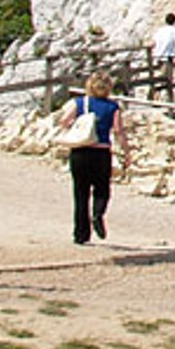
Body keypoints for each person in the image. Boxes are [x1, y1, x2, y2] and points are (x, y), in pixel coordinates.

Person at [56, 71, 130, 245]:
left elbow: (64, 121)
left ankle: (81, 234)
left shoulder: (80, 102)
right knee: (102, 189)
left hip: (81, 151)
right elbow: (119, 131)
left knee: (80, 193)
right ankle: (98, 214)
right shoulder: (113, 107)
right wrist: (127, 152)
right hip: (101, 152)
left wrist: (77, 126)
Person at [149, 13, 175, 97]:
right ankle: (156, 96)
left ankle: (165, 97)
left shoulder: (160, 30)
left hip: (158, 55)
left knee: (163, 77)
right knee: (166, 79)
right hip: (167, 56)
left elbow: (153, 43)